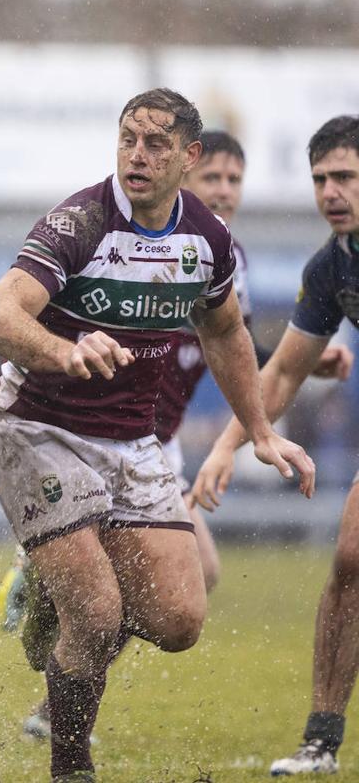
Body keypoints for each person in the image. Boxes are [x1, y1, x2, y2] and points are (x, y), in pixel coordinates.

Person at [0, 87, 315, 783]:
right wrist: (62, 350)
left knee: (180, 620)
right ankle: (72, 766)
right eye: (129, 138)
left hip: (135, 444)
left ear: (188, 157)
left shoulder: (208, 242)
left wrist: (259, 430)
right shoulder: (79, 222)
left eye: (157, 143)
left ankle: (50, 589)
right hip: (37, 430)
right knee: (97, 615)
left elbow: (224, 331)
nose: (138, 153)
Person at [193, 115, 359, 777]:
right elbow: (283, 373)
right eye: (320, 179)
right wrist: (227, 447)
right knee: (350, 558)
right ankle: (321, 741)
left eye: (345, 176)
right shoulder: (329, 270)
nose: (330, 191)